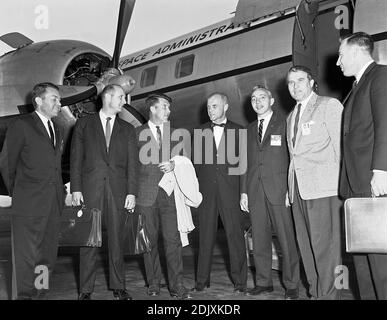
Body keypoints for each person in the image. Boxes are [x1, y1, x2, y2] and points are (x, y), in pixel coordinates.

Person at [70, 84, 137, 300]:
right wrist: (76, 188)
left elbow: (133, 165)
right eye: (121, 97)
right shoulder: (83, 124)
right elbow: (75, 160)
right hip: (90, 190)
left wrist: (131, 192)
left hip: (118, 191)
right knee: (88, 240)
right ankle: (85, 290)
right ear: (107, 97)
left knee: (117, 240)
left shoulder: (127, 129)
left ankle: (119, 287)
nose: (124, 102)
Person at [0, 82, 64, 299]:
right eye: (54, 99)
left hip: (52, 205)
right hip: (28, 204)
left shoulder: (57, 128)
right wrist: (14, 193)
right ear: (38, 100)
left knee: (46, 258)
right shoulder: (22, 125)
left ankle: (39, 294)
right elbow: (7, 162)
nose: (59, 103)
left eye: (59, 99)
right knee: (26, 258)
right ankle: (25, 296)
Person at [337, 32, 387, 300]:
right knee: (363, 262)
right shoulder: (357, 86)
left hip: (373, 183)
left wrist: (381, 171)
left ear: (357, 52)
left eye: (341, 55)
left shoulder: (381, 76)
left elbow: (385, 124)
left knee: (380, 264)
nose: (338, 62)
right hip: (356, 186)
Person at [286, 66, 343, 299]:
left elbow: (341, 149)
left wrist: (343, 187)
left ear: (311, 82)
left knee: (327, 249)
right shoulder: (291, 116)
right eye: (290, 82)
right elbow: (294, 157)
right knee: (307, 248)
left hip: (324, 188)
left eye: (300, 80)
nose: (295, 86)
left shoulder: (328, 105)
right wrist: (289, 189)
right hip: (299, 189)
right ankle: (315, 293)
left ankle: (330, 296)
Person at [240, 85, 300, 299]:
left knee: (286, 238)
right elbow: (245, 163)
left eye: (262, 97)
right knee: (260, 238)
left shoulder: (285, 123)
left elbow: (293, 158)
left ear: (272, 100)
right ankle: (263, 282)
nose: (257, 101)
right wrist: (244, 192)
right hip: (255, 192)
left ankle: (292, 284)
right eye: (254, 98)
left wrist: (289, 188)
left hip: (279, 191)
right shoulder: (248, 129)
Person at [135, 92, 191, 300]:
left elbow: (187, 162)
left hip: (170, 195)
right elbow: (131, 167)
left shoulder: (177, 134)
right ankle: (153, 283)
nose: (169, 111)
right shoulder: (136, 133)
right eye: (165, 106)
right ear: (153, 109)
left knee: (173, 240)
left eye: (169, 107)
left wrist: (175, 164)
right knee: (148, 241)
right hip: (145, 195)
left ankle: (177, 286)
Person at [192, 92, 247, 293]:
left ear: (225, 107)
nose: (210, 110)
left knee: (235, 236)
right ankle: (201, 280)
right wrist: (195, 192)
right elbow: (196, 166)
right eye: (208, 107)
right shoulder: (199, 132)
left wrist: (243, 193)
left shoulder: (239, 131)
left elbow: (243, 167)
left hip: (230, 192)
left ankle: (240, 282)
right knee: (205, 236)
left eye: (214, 106)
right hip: (206, 192)